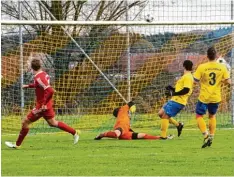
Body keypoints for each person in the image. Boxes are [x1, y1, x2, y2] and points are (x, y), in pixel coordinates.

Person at [5, 56, 80, 149]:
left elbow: (50, 90)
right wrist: (28, 86)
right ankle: (74, 132)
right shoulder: (43, 74)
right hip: (47, 105)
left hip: (42, 106)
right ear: (39, 66)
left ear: (31, 67)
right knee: (53, 123)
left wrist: (43, 104)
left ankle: (17, 145)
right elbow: (40, 85)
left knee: (25, 122)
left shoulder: (39, 78)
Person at [193, 47, 231, 148]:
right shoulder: (222, 67)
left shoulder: (202, 67)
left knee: (198, 115)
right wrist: (222, 81)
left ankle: (206, 135)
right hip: (215, 97)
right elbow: (228, 82)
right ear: (216, 55)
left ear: (207, 56)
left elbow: (195, 80)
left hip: (204, 97)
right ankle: (212, 136)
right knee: (212, 116)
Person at [94, 101, 173, 140]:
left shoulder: (127, 118)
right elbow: (131, 103)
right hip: (120, 127)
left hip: (125, 132)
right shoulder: (122, 110)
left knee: (143, 135)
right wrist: (132, 110)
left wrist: (158, 137)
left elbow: (131, 130)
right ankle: (102, 134)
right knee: (116, 134)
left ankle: (160, 137)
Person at [158, 60, 194, 139]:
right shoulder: (185, 76)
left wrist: (173, 93)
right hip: (175, 99)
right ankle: (178, 125)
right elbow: (180, 89)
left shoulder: (188, 77)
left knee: (165, 116)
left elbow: (186, 90)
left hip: (179, 101)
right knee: (160, 113)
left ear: (184, 66)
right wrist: (172, 89)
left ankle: (163, 136)